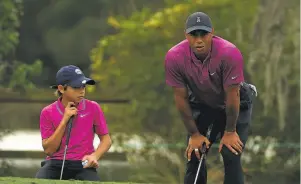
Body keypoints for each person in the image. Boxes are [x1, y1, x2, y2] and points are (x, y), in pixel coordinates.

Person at [164, 12, 257, 184]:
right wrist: (194, 134)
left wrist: (229, 132)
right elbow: (181, 99)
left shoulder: (229, 53)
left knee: (230, 152)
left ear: (212, 33)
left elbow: (232, 95)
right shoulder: (174, 56)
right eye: (193, 34)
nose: (199, 40)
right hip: (202, 101)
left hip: (236, 103)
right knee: (195, 152)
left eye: (203, 34)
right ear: (186, 35)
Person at [35, 65, 112, 181]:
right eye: (76, 87)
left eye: (83, 86)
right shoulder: (47, 112)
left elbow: (106, 140)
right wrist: (64, 120)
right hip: (55, 163)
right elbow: (49, 150)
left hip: (83, 164)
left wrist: (94, 156)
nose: (82, 91)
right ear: (61, 88)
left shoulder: (93, 108)